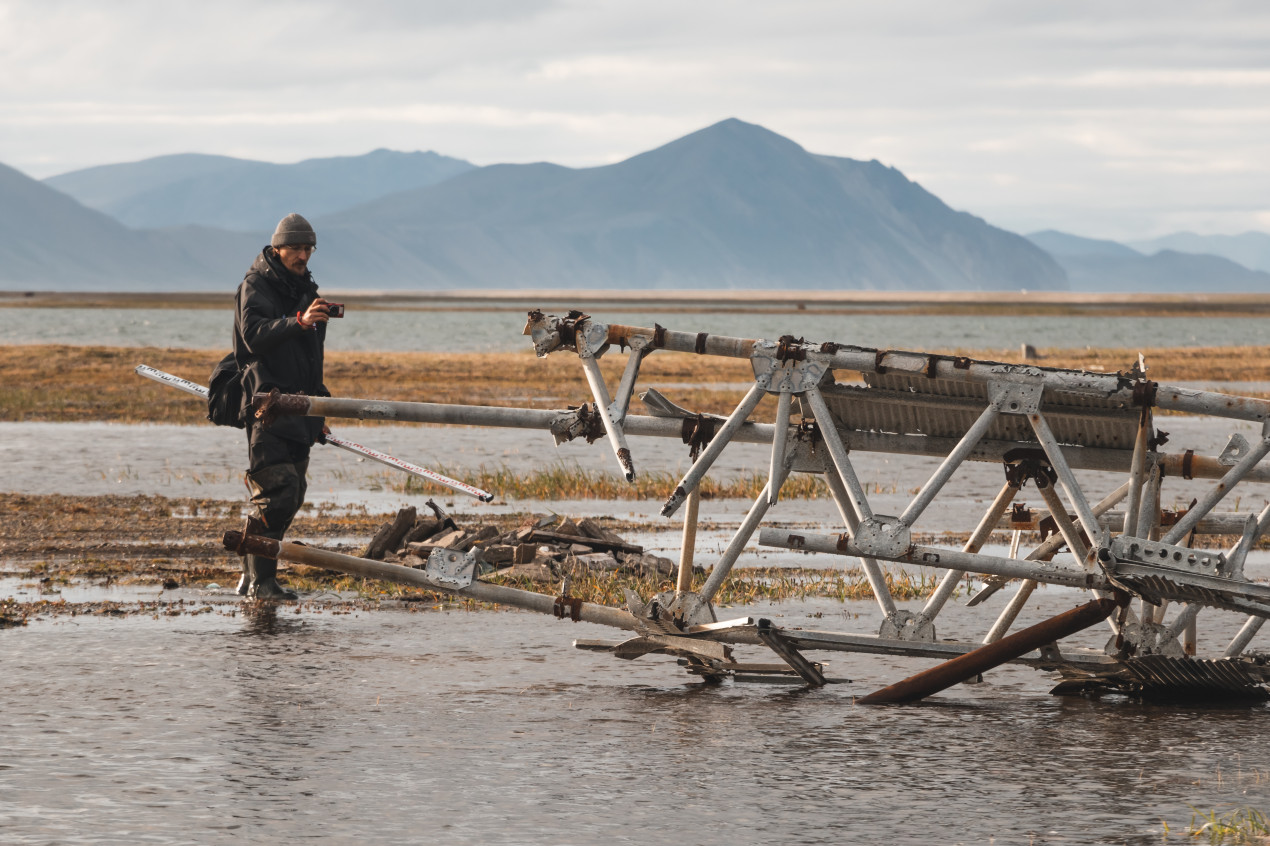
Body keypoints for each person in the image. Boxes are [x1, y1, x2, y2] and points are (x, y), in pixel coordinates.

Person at [232, 213, 334, 600]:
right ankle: (262, 583)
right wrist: (298, 321)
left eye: (309, 249)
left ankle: (250, 578)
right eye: (297, 248)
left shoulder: (304, 288)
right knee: (277, 494)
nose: (303, 255)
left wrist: (318, 411)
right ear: (278, 248)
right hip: (267, 406)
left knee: (288, 495)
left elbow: (309, 361)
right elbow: (253, 336)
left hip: (298, 410)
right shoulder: (256, 285)